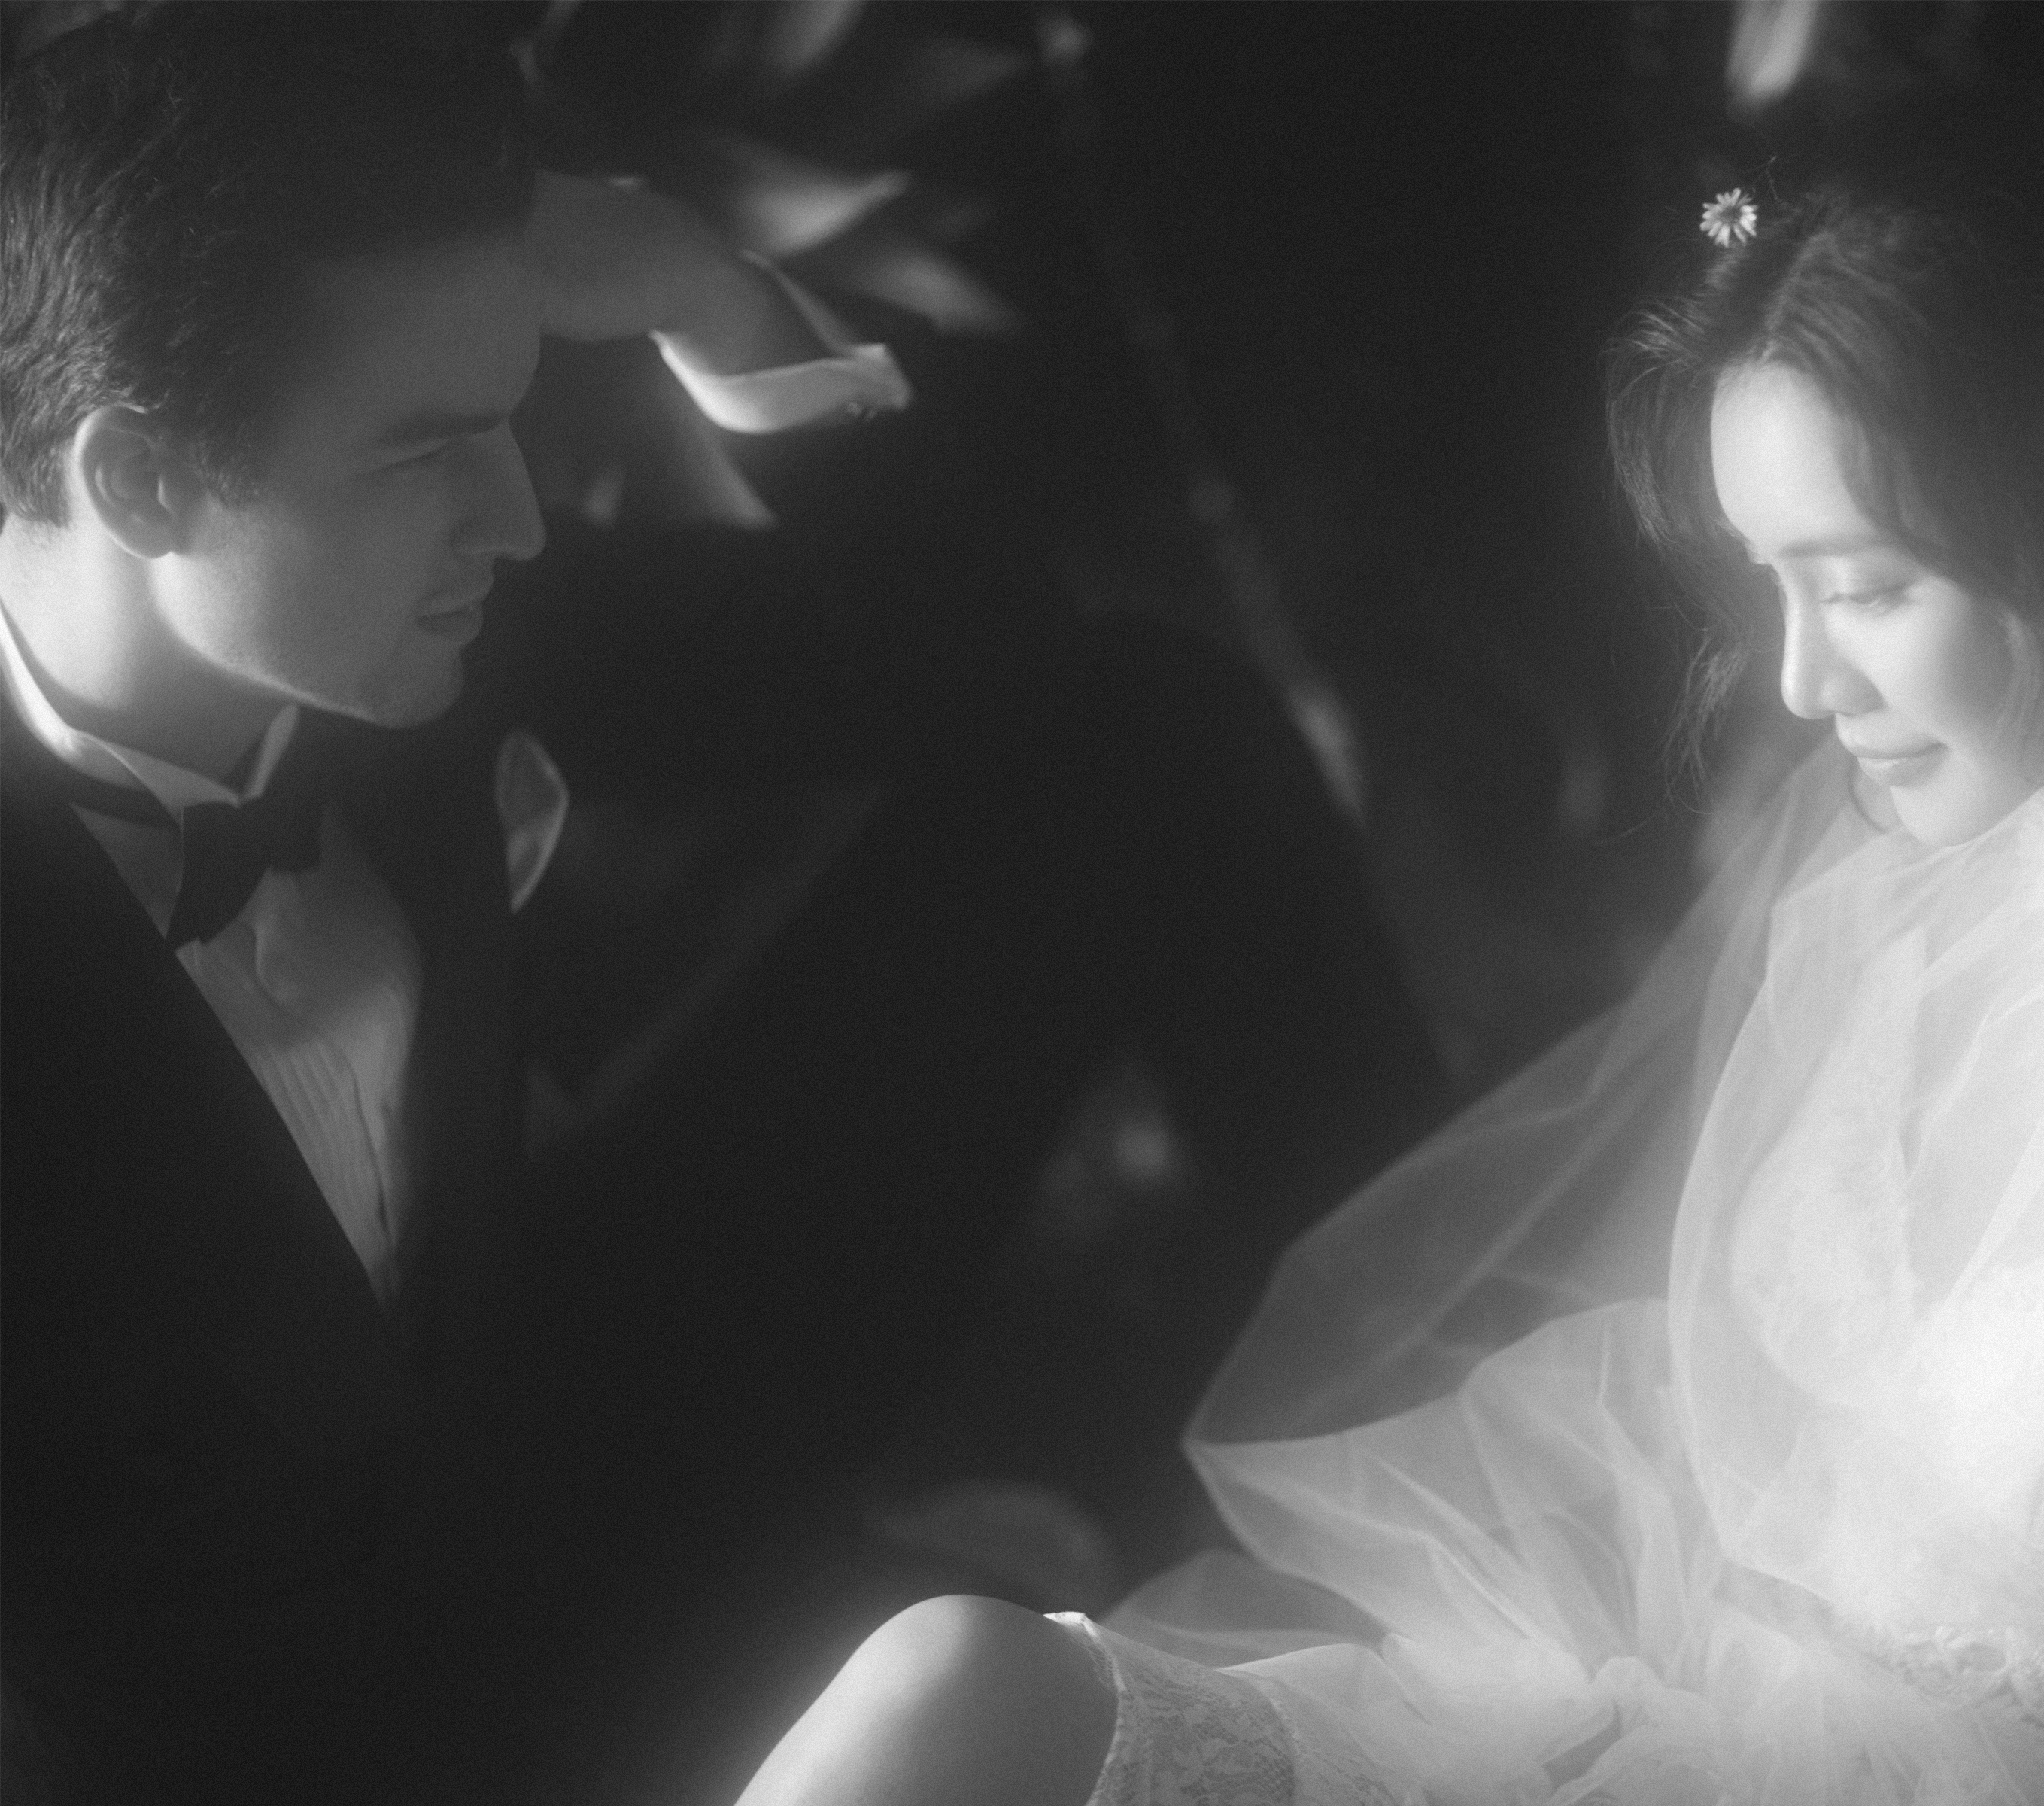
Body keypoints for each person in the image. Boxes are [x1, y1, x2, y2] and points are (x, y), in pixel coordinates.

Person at [727, 90, 2044, 1806]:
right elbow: (1702, 1452)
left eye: (1866, 587)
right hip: (1650, 1721)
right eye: (1769, 583)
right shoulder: (1922, 869)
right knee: (955, 1679)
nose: (1802, 684)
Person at [0, 8, 1444, 1801]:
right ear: (137, 479)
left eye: (510, 418)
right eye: (426, 449)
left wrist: (712, 297)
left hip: (572, 1410)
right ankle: (913, 1576)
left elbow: (987, 667)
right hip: (307, 1733)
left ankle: (1441, 1477)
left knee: (1153, 741)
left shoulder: (393, 610)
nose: (518, 518)